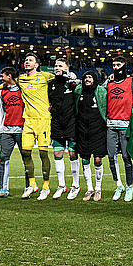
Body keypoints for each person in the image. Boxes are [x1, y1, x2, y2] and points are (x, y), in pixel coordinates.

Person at [16, 53, 55, 199]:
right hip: (28, 121)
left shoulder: (45, 76)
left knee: (43, 153)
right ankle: (32, 185)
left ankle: (46, 186)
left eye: (30, 60)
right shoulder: (20, 79)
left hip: (43, 120)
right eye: (26, 60)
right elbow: (8, 83)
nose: (27, 62)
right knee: (25, 153)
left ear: (36, 65)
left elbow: (60, 76)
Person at [104, 56, 133, 202]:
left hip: (125, 123)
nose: (115, 67)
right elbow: (101, 94)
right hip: (111, 124)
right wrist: (107, 80)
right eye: (113, 65)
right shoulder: (109, 83)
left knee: (126, 157)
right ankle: (119, 185)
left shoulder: (132, 81)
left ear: (124, 65)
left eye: (118, 64)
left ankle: (129, 186)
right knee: (111, 157)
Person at [0, 66, 27, 198]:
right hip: (7, 130)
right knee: (3, 159)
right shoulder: (2, 92)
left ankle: (28, 187)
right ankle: (3, 189)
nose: (0, 79)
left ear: (9, 76)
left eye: (2, 76)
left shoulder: (23, 90)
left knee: (26, 160)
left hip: (23, 129)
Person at [49, 58, 80, 199]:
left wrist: (75, 80)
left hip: (71, 123)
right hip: (56, 123)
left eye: (60, 66)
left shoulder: (72, 83)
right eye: (55, 65)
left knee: (73, 154)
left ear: (67, 68)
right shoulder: (51, 84)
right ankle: (61, 185)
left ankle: (76, 185)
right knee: (57, 154)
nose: (57, 67)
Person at [74, 71, 108, 201]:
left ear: (95, 79)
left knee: (98, 159)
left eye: (90, 77)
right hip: (82, 130)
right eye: (85, 77)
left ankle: (98, 188)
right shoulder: (79, 92)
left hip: (98, 130)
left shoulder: (101, 92)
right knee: (85, 159)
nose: (87, 80)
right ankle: (89, 188)